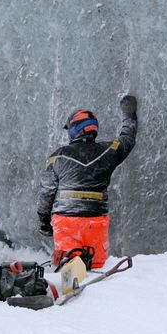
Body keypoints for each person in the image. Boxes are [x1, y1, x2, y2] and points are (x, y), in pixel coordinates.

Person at [36, 95, 138, 269]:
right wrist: (129, 114)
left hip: (66, 221)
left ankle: (70, 288)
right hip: (95, 221)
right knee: (96, 267)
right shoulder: (109, 151)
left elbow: (46, 193)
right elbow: (128, 138)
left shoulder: (57, 157)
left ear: (74, 129)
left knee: (68, 269)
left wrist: (44, 222)